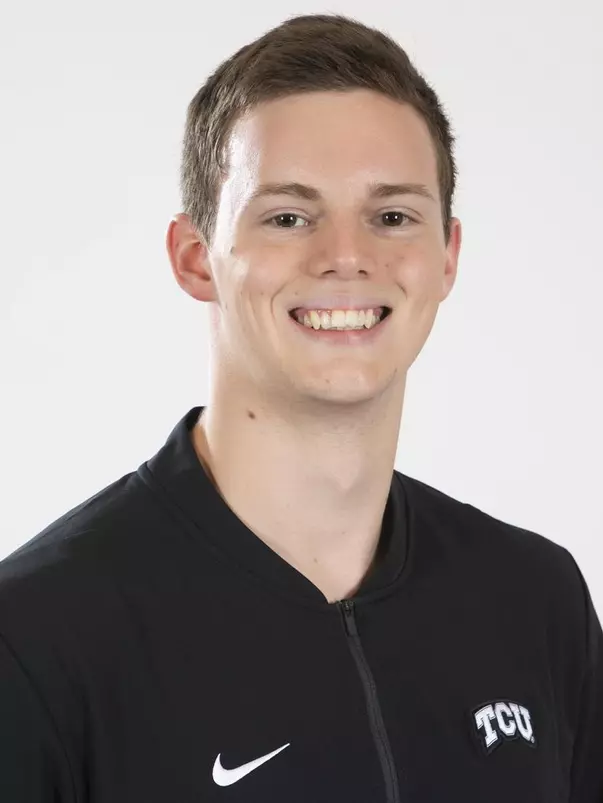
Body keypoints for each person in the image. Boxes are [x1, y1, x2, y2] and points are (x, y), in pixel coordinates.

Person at [0, 12, 601, 803]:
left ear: (446, 255)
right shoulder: (40, 638)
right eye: (288, 215)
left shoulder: (534, 600)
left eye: (392, 216)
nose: (346, 256)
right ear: (194, 257)